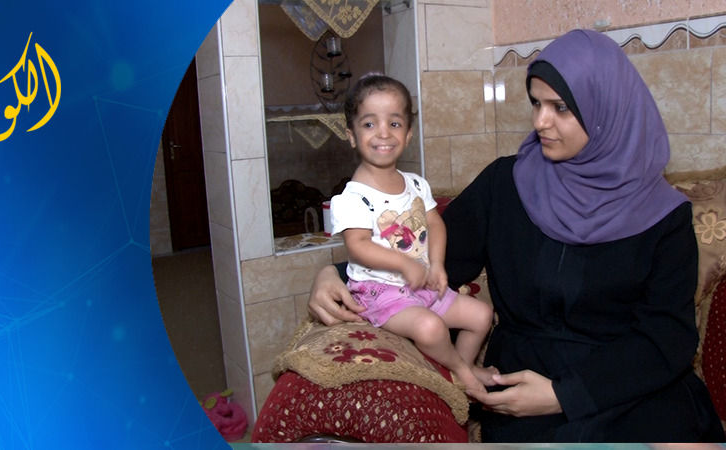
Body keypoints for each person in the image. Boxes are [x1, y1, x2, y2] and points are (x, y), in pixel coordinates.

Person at [307, 30, 726, 442]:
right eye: (536, 103)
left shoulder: (664, 215)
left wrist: (564, 395)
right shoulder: (505, 184)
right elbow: (431, 260)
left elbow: (668, 338)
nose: (540, 121)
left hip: (628, 382)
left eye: (561, 107)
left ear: (607, 109)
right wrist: (335, 275)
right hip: (526, 383)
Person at [330, 74, 496, 398]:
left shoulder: (416, 184)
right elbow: (358, 245)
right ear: (351, 135)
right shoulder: (352, 197)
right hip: (380, 293)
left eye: (394, 123)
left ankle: (463, 368)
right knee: (430, 327)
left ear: (407, 134)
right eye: (369, 124)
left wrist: (437, 265)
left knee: (481, 315)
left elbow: (435, 224)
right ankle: (462, 372)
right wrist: (404, 264)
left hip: (422, 286)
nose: (383, 133)